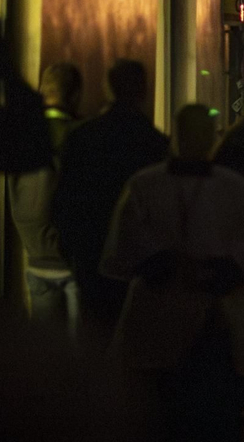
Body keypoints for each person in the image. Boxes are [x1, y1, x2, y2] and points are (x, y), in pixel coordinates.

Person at [102, 103, 244, 442]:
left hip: (178, 323)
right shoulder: (233, 188)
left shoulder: (146, 184)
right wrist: (207, 270)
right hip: (201, 323)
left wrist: (173, 266)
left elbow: (128, 252)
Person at [52, 59, 168, 332]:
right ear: (142, 91)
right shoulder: (155, 143)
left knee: (93, 333)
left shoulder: (82, 137)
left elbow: (65, 198)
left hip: (90, 252)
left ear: (108, 88)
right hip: (140, 262)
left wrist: (70, 248)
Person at [10, 62, 83, 338]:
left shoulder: (23, 135)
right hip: (70, 261)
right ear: (75, 95)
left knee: (46, 351)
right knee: (79, 354)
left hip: (35, 256)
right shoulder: (79, 136)